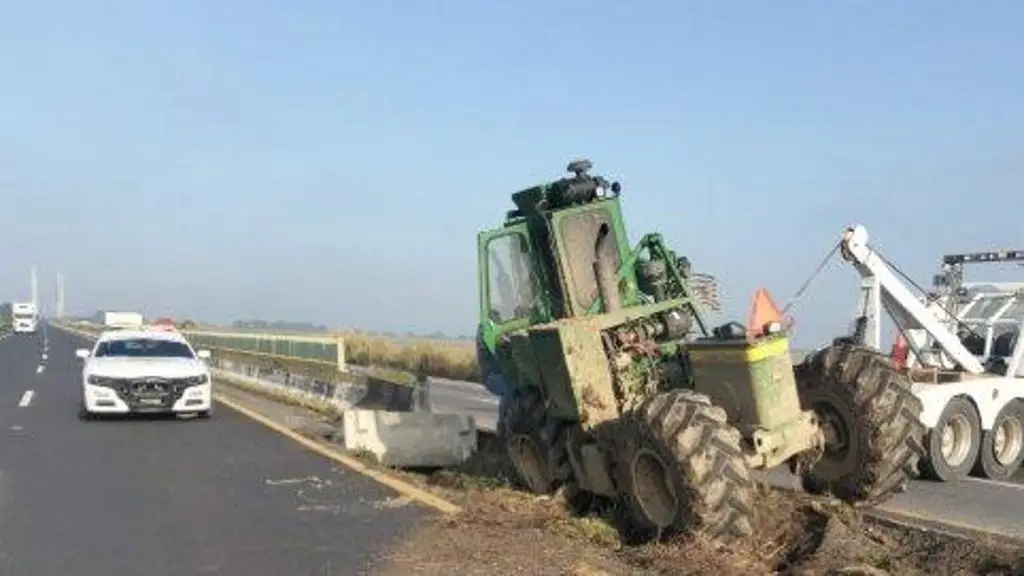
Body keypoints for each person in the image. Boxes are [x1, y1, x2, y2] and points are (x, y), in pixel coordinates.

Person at [476, 324, 513, 436]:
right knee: (509, 389)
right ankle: (502, 424)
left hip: (502, 374)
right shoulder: (485, 330)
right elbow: (496, 350)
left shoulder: (496, 329)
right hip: (491, 375)